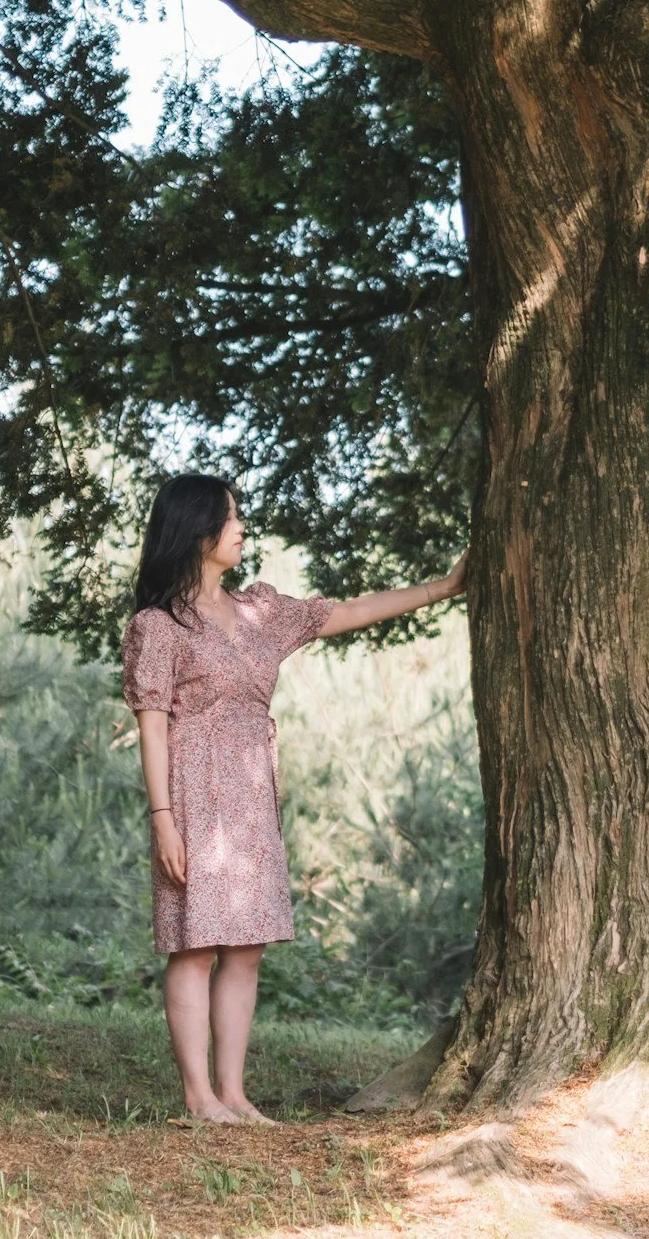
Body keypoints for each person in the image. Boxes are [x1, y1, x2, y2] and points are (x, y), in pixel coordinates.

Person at [121, 473, 466, 1125]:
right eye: (231, 518)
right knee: (194, 947)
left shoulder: (260, 611)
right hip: (192, 794)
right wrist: (163, 819)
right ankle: (198, 1100)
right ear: (198, 532)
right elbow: (153, 725)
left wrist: (442, 588)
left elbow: (344, 612)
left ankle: (234, 1095)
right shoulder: (158, 626)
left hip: (251, 797)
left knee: (244, 947)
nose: (241, 527)